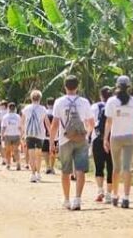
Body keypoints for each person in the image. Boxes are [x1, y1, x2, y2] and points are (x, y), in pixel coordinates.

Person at [50, 75, 94, 211]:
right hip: (81, 140)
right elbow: (91, 123)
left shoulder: (59, 102)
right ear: (77, 86)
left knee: (66, 171)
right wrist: (86, 133)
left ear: (65, 86)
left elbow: (55, 124)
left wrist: (52, 142)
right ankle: (78, 199)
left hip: (64, 140)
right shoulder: (84, 102)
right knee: (80, 170)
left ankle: (67, 200)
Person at [103, 76, 133, 209]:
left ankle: (115, 195)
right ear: (129, 87)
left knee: (116, 168)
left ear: (117, 87)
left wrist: (105, 138)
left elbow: (108, 122)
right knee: (127, 167)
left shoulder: (111, 101)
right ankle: (126, 197)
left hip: (115, 136)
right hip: (129, 136)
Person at [22, 90, 51, 183]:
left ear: (31, 98)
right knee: (38, 154)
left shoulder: (26, 108)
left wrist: (23, 133)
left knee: (31, 155)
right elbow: (47, 123)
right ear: (40, 98)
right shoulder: (43, 109)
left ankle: (32, 174)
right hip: (40, 134)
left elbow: (22, 122)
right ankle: (38, 173)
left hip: (29, 134)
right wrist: (51, 134)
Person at [91, 87, 113, 204]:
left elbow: (90, 122)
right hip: (112, 139)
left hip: (97, 139)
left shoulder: (95, 107)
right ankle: (109, 194)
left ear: (101, 95)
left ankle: (100, 191)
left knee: (99, 167)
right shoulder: (115, 105)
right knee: (111, 167)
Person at [1, 102, 23, 170]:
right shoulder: (18, 116)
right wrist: (21, 135)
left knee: (8, 151)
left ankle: (8, 164)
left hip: (8, 135)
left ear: (8, 108)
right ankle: (18, 163)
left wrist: (2, 135)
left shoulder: (5, 117)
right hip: (16, 135)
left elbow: (3, 127)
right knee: (16, 150)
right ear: (15, 108)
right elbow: (20, 127)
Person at [44, 97, 57, 174]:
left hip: (45, 135)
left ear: (47, 104)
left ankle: (47, 166)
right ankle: (52, 167)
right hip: (55, 135)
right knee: (53, 150)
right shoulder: (56, 112)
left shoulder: (44, 112)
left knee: (45, 151)